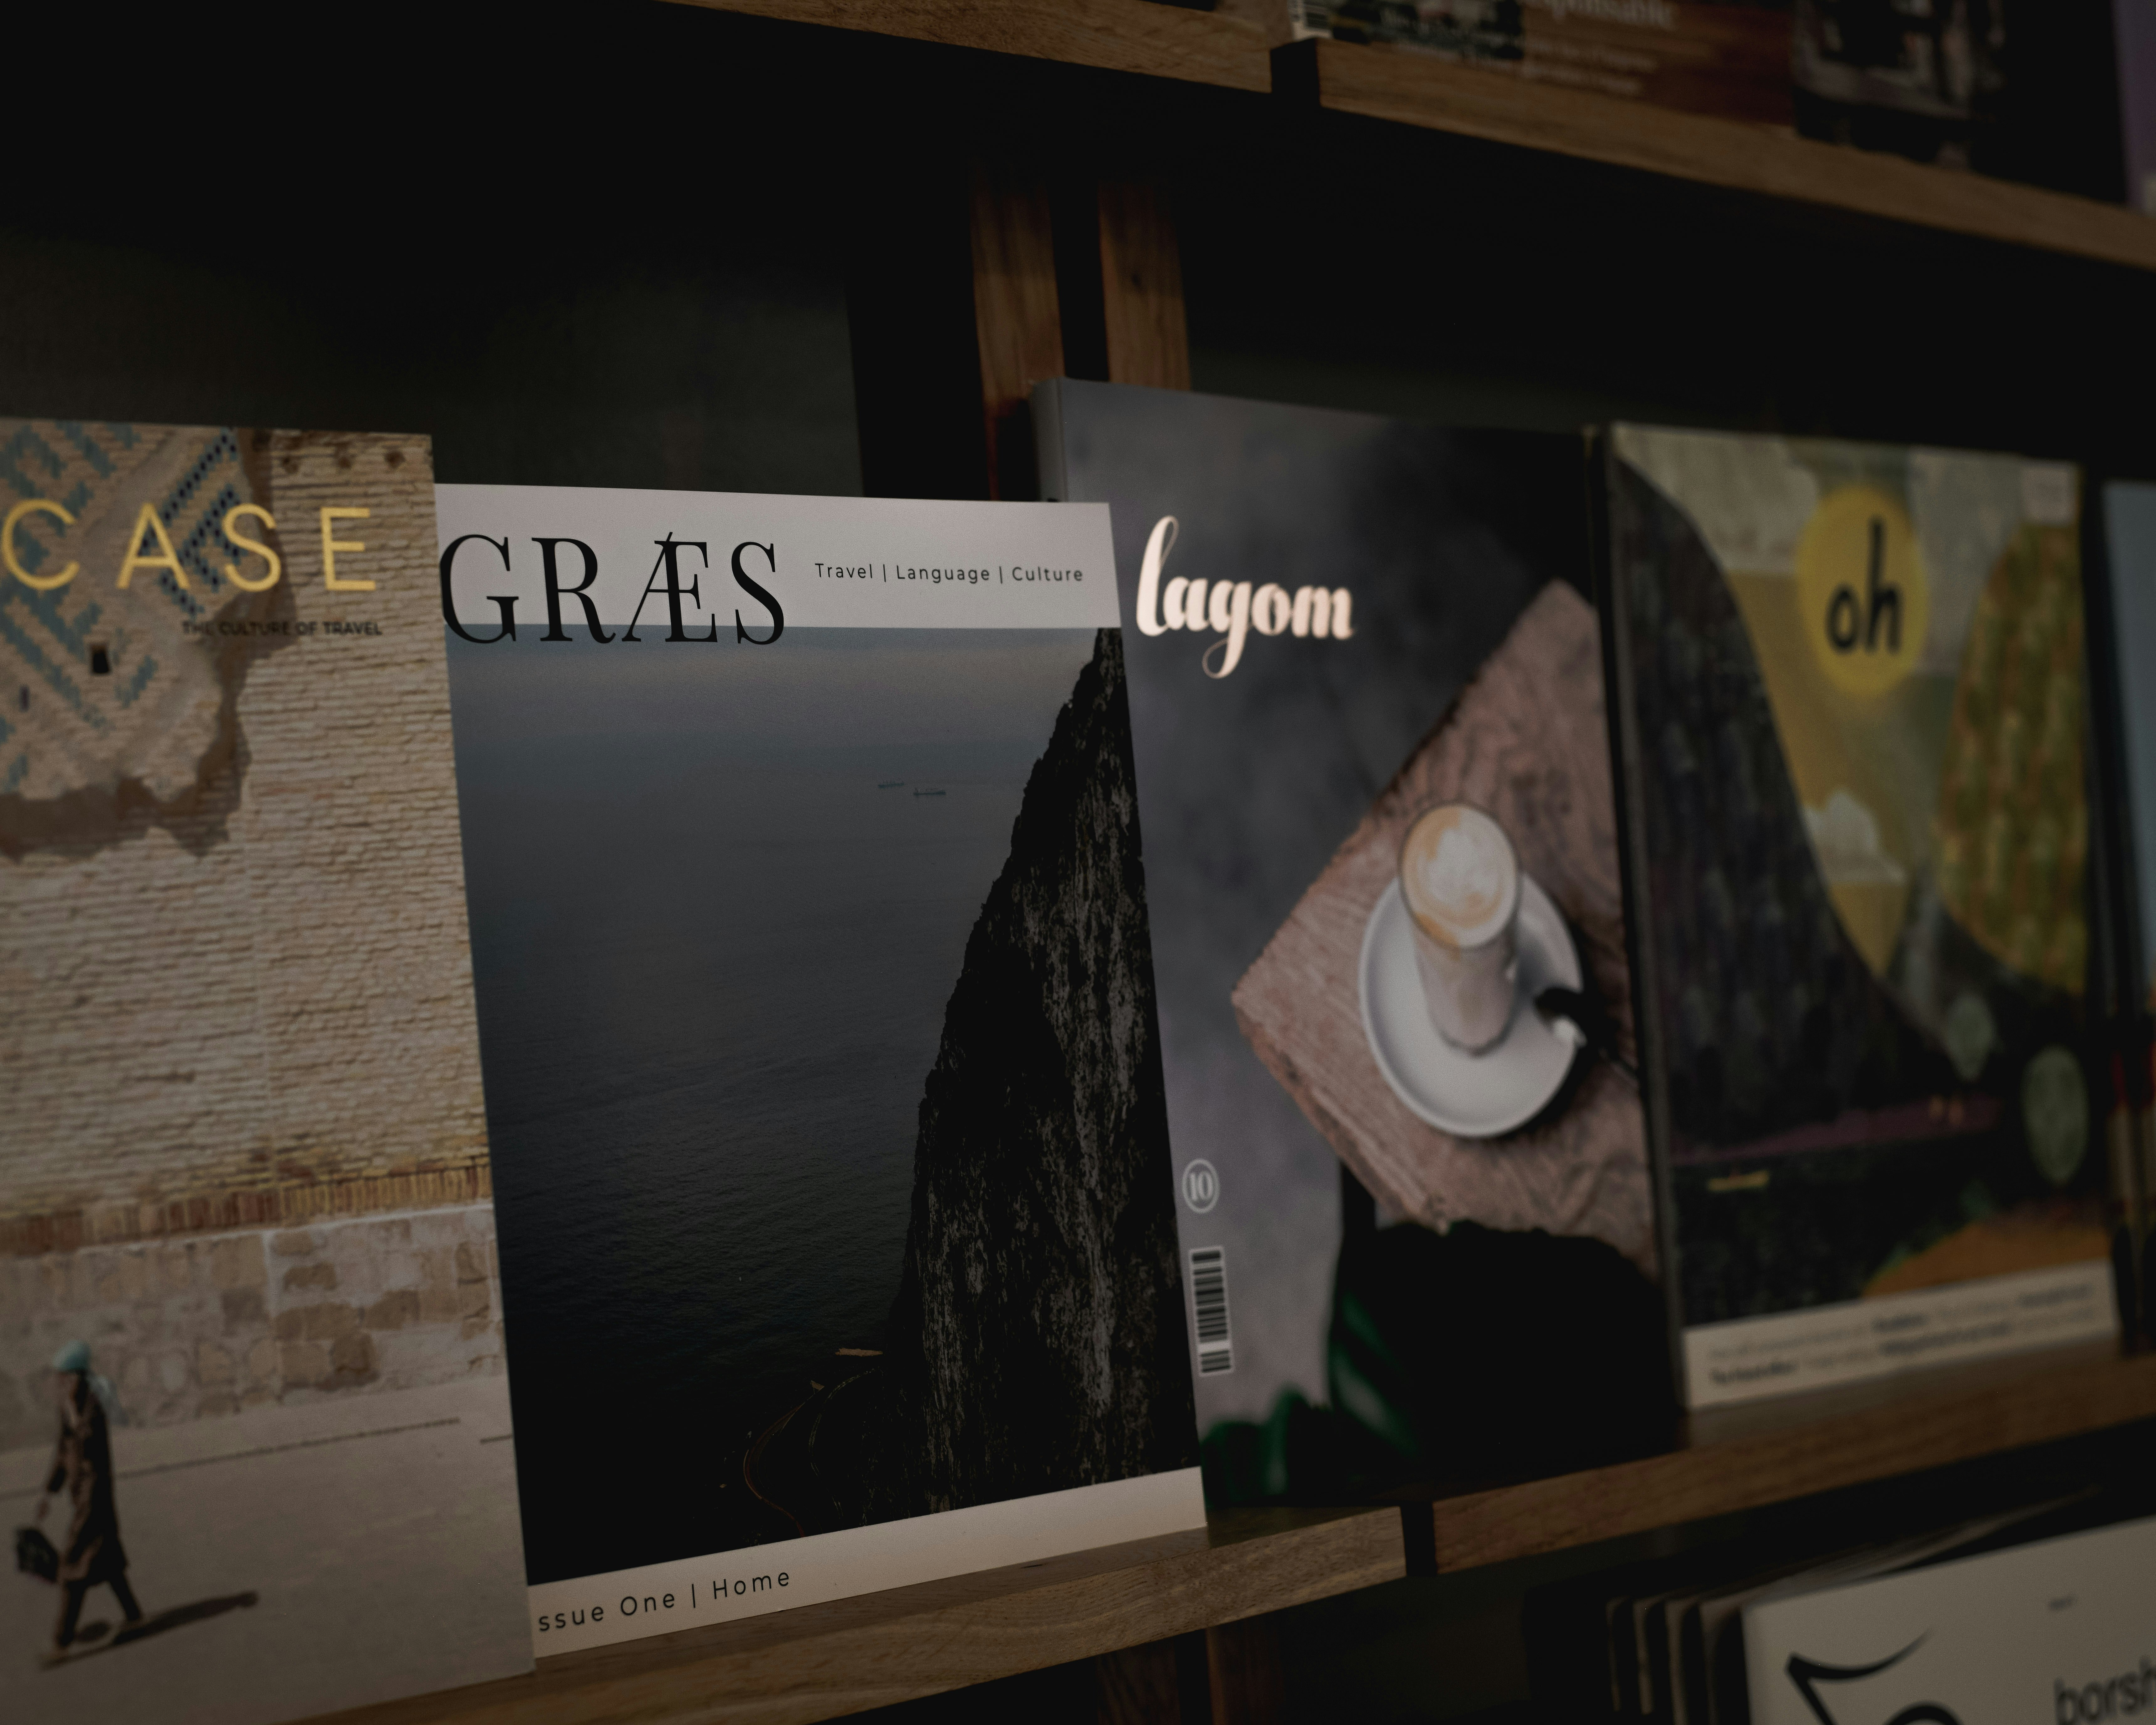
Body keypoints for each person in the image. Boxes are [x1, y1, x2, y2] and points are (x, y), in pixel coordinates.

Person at [35, 1341, 143, 1661]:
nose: (58, 1382)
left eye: (63, 1376)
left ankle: (61, 1642)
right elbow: (63, 1449)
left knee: (73, 1565)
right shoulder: (68, 1405)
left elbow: (87, 1442)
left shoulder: (93, 1404)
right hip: (81, 1493)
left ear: (77, 1377)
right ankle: (135, 1616)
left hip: (95, 1496)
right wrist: (48, 1492)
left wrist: (71, 1410)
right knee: (107, 1560)